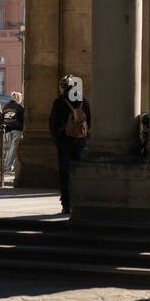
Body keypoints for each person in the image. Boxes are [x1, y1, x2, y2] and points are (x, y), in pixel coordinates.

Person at [48, 76, 91, 214]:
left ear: (63, 87)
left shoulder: (59, 102)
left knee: (64, 173)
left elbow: (53, 124)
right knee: (80, 172)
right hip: (81, 142)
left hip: (64, 142)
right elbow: (89, 122)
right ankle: (81, 202)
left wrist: (58, 140)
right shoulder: (84, 101)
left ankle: (66, 204)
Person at [2, 91, 25, 174]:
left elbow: (1, 117)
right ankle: (8, 167)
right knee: (13, 148)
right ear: (19, 98)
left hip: (7, 129)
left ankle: (5, 166)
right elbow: (23, 119)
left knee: (8, 148)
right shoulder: (20, 107)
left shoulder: (6, 106)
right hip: (17, 129)